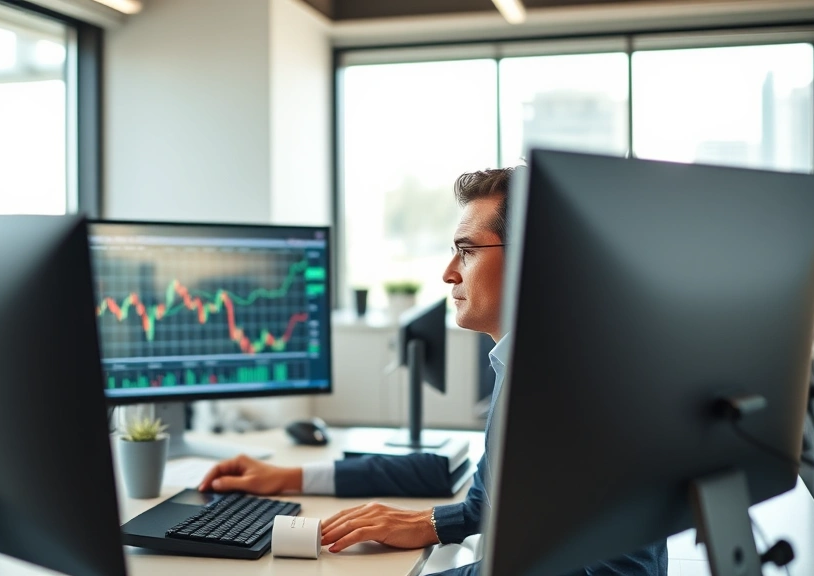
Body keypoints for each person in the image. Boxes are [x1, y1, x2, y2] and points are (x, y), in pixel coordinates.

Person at [199, 167, 668, 576]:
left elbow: (622, 573)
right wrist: (289, 478)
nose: (448, 273)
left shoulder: (589, 386)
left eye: (466, 251)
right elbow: (485, 500)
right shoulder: (521, 360)